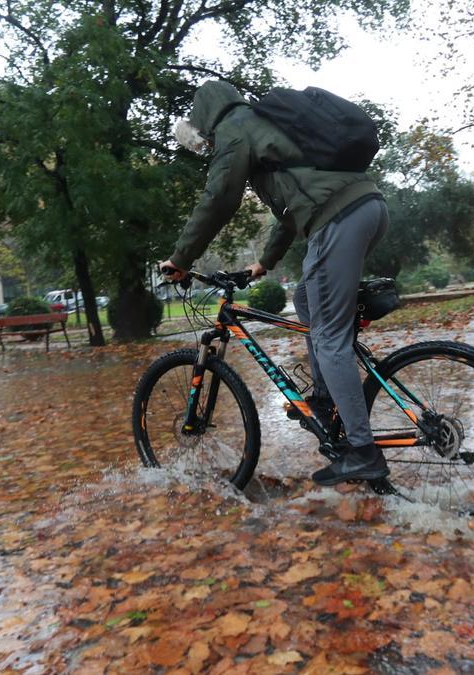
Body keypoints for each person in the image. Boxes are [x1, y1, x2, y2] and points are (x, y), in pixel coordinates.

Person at [158, 80, 390, 486]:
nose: (208, 146)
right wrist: (264, 264)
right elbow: (290, 213)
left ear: (206, 119)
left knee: (329, 339)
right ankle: (323, 398)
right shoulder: (266, 127)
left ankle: (362, 452)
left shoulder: (235, 128)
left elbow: (219, 197)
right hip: (366, 208)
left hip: (338, 219)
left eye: (203, 139)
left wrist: (181, 259)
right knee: (306, 297)